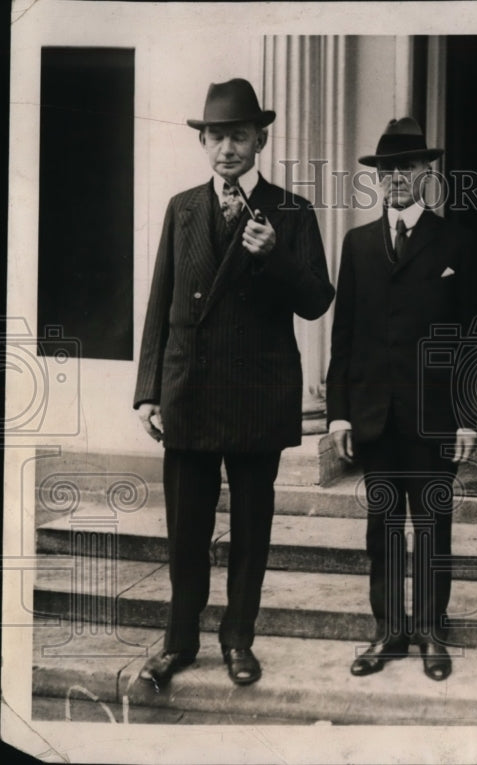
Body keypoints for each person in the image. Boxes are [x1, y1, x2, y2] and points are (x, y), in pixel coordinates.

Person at [133, 78, 335, 688]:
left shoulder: (291, 213)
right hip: (189, 390)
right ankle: (180, 642)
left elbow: (318, 301)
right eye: (216, 136)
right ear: (204, 142)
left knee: (251, 529)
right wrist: (147, 389)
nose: (227, 148)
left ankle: (238, 639)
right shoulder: (183, 208)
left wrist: (274, 255)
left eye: (239, 136)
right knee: (186, 531)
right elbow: (160, 300)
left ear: (261, 140)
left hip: (256, 395)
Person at [325, 117, 477, 681]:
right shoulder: (359, 243)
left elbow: (472, 337)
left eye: (407, 167)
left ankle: (432, 632)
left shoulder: (457, 242)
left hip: (436, 416)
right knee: (384, 527)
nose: (396, 177)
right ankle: (390, 629)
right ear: (378, 177)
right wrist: (338, 411)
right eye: (387, 169)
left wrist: (468, 417)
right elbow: (344, 334)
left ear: (426, 173)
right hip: (374, 414)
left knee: (434, 526)